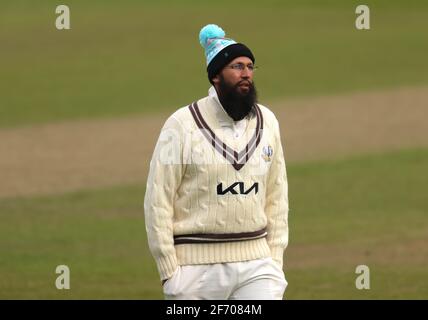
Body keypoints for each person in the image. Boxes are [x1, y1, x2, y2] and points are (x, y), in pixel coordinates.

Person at [144, 24, 290, 300]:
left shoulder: (267, 121)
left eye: (250, 66)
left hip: (258, 266)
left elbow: (277, 193)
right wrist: (169, 272)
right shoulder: (181, 125)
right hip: (194, 270)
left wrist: (275, 258)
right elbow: (157, 199)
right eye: (237, 66)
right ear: (216, 76)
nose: (246, 73)